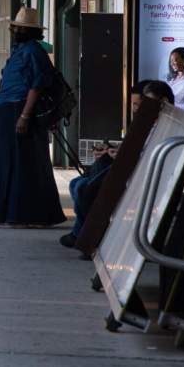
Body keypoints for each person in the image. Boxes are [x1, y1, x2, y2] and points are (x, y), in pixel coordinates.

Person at [0, 7, 66, 228]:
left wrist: (25, 115)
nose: (18, 31)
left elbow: (37, 85)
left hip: (20, 109)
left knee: (24, 163)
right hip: (10, 109)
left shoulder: (34, 52)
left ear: (31, 31)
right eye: (17, 27)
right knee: (13, 162)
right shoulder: (22, 50)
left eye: (22, 28)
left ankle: (24, 214)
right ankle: (14, 213)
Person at [60, 82, 150, 249]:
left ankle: (85, 234)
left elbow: (144, 155)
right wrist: (112, 150)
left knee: (83, 189)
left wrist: (117, 154)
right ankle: (82, 231)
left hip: (136, 173)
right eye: (133, 104)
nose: (135, 109)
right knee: (76, 184)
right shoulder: (142, 122)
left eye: (138, 104)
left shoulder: (155, 125)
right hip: (128, 167)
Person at [166, 47, 184, 111]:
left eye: (175, 60)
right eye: (171, 61)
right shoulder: (170, 78)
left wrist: (168, 105)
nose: (172, 64)